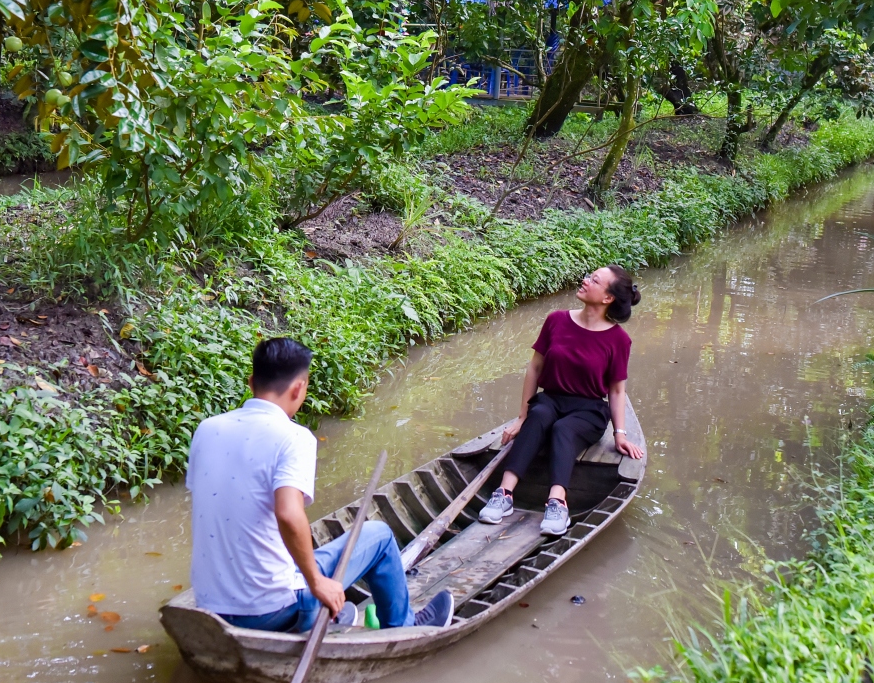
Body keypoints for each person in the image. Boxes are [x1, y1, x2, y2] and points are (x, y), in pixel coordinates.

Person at [186, 336, 454, 632]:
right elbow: (288, 514)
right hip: (270, 610)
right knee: (379, 535)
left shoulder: (206, 430)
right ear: (299, 388)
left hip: (209, 606)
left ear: (251, 382)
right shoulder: (293, 438)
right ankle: (404, 626)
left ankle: (331, 615)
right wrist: (317, 583)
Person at [477, 265, 644, 536]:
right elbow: (535, 368)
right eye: (588, 276)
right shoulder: (556, 320)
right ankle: (504, 494)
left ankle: (557, 502)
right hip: (551, 400)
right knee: (539, 415)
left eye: (594, 280)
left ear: (607, 298)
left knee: (563, 429)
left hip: (589, 409)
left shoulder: (618, 340)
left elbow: (616, 391)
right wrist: (522, 417)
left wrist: (620, 434)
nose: (585, 280)